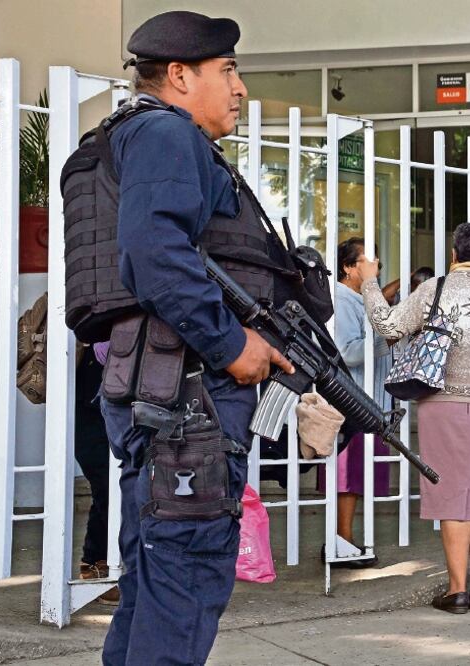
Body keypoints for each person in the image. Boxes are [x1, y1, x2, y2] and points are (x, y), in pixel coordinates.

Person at [64, 11, 302, 664]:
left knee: (155, 578)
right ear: (179, 75)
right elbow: (153, 252)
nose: (240, 88)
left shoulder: (116, 140)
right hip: (189, 394)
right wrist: (233, 345)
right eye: (227, 70)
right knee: (184, 582)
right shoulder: (166, 135)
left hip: (153, 387)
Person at [360, 220, 470, 614]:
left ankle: (456, 591)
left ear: (454, 255)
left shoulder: (436, 288)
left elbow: (389, 326)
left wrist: (368, 282)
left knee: (451, 493)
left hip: (445, 399)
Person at [318, 237, 393, 567]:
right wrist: (385, 334)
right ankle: (340, 541)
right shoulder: (342, 300)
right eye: (368, 261)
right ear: (349, 268)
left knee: (358, 475)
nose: (375, 267)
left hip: (367, 402)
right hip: (351, 404)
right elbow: (347, 352)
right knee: (347, 476)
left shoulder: (358, 300)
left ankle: (345, 539)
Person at [74, 345, 120, 605]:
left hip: (124, 393)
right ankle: (99, 565)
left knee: (113, 489)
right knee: (108, 487)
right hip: (92, 396)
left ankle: (98, 563)